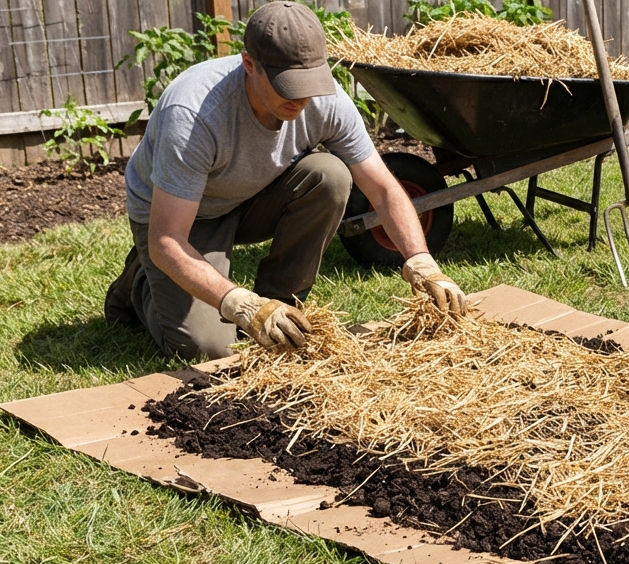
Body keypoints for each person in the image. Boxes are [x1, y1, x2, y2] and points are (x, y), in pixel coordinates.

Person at [104, 0, 464, 359]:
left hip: (253, 195)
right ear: (249, 65)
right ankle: (140, 280)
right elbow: (168, 238)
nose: (301, 97)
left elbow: (384, 189)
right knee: (208, 349)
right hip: (183, 217)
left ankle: (278, 303)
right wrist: (239, 304)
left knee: (330, 175)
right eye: (287, 84)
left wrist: (420, 260)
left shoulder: (326, 101)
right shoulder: (195, 114)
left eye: (309, 81)